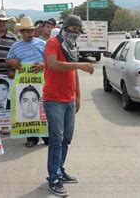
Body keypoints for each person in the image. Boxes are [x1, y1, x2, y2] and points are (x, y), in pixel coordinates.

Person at [43, 15, 95, 196]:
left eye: (79, 30)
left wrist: (78, 96)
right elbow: (52, 64)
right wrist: (79, 65)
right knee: (56, 140)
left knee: (66, 139)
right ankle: (53, 178)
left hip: (69, 100)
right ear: (66, 27)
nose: (76, 33)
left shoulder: (72, 46)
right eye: (74, 29)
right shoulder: (53, 43)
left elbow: (73, 73)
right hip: (54, 99)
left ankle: (60, 170)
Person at [6, 16, 47, 147]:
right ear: (21, 32)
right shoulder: (15, 46)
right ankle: (31, 138)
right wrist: (12, 62)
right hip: (24, 84)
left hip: (41, 83)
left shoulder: (42, 44)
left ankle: (47, 136)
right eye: (27, 31)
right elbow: (8, 60)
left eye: (31, 31)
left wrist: (42, 65)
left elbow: (51, 61)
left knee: (43, 109)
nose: (30, 34)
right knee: (27, 111)